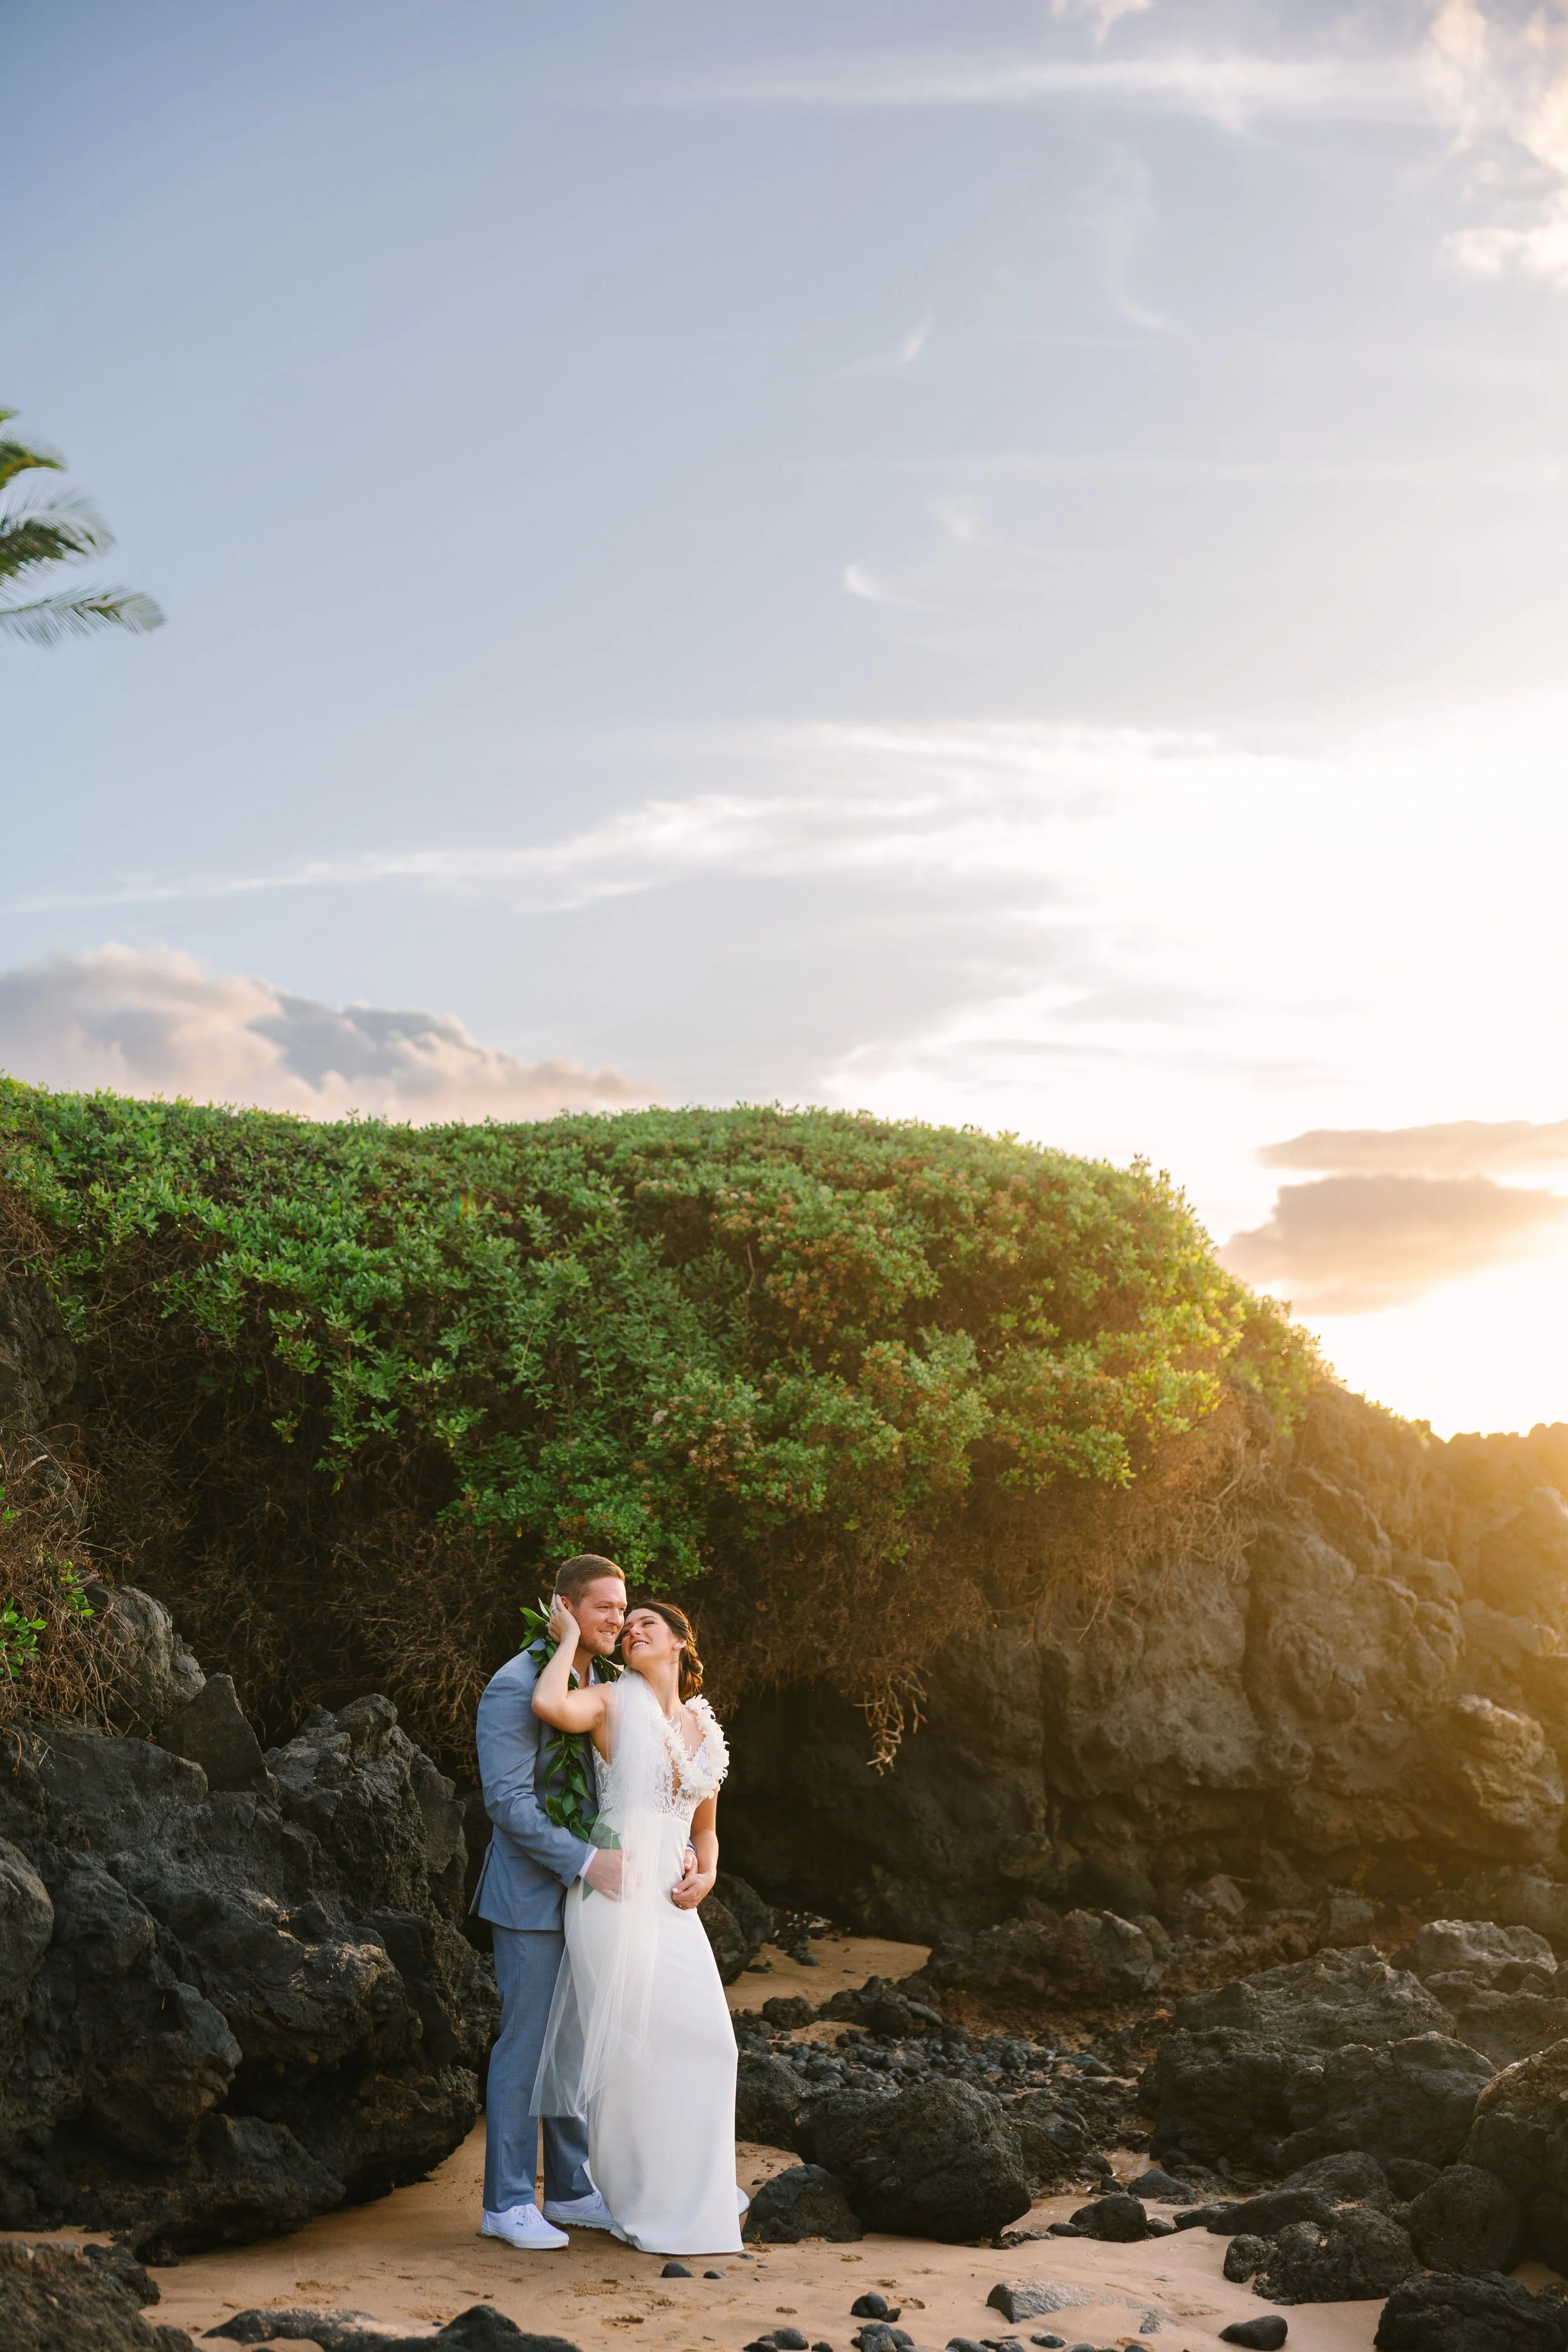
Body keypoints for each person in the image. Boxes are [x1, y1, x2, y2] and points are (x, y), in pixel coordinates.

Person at [472, 1552, 691, 2250]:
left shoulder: (610, 1682)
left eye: (622, 1608)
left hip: (600, 1903)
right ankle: (505, 2203)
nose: (618, 1620)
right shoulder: (514, 1686)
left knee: (574, 2047)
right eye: (602, 1607)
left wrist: (673, 1846)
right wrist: (587, 1860)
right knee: (527, 2047)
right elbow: (505, 1802)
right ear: (562, 1606)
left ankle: (569, 2190)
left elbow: (636, 1783)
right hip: (535, 1897)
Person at [531, 1592, 743, 2256]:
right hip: (616, 1890)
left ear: (682, 1641)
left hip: (671, 1900)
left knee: (712, 2042)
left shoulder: (705, 1728)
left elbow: (705, 1832)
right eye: (627, 1629)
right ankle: (638, 2200)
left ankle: (693, 2196)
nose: (632, 1634)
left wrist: (705, 1877)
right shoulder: (612, 1701)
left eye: (647, 1624)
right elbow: (550, 1705)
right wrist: (568, 1638)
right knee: (632, 2050)